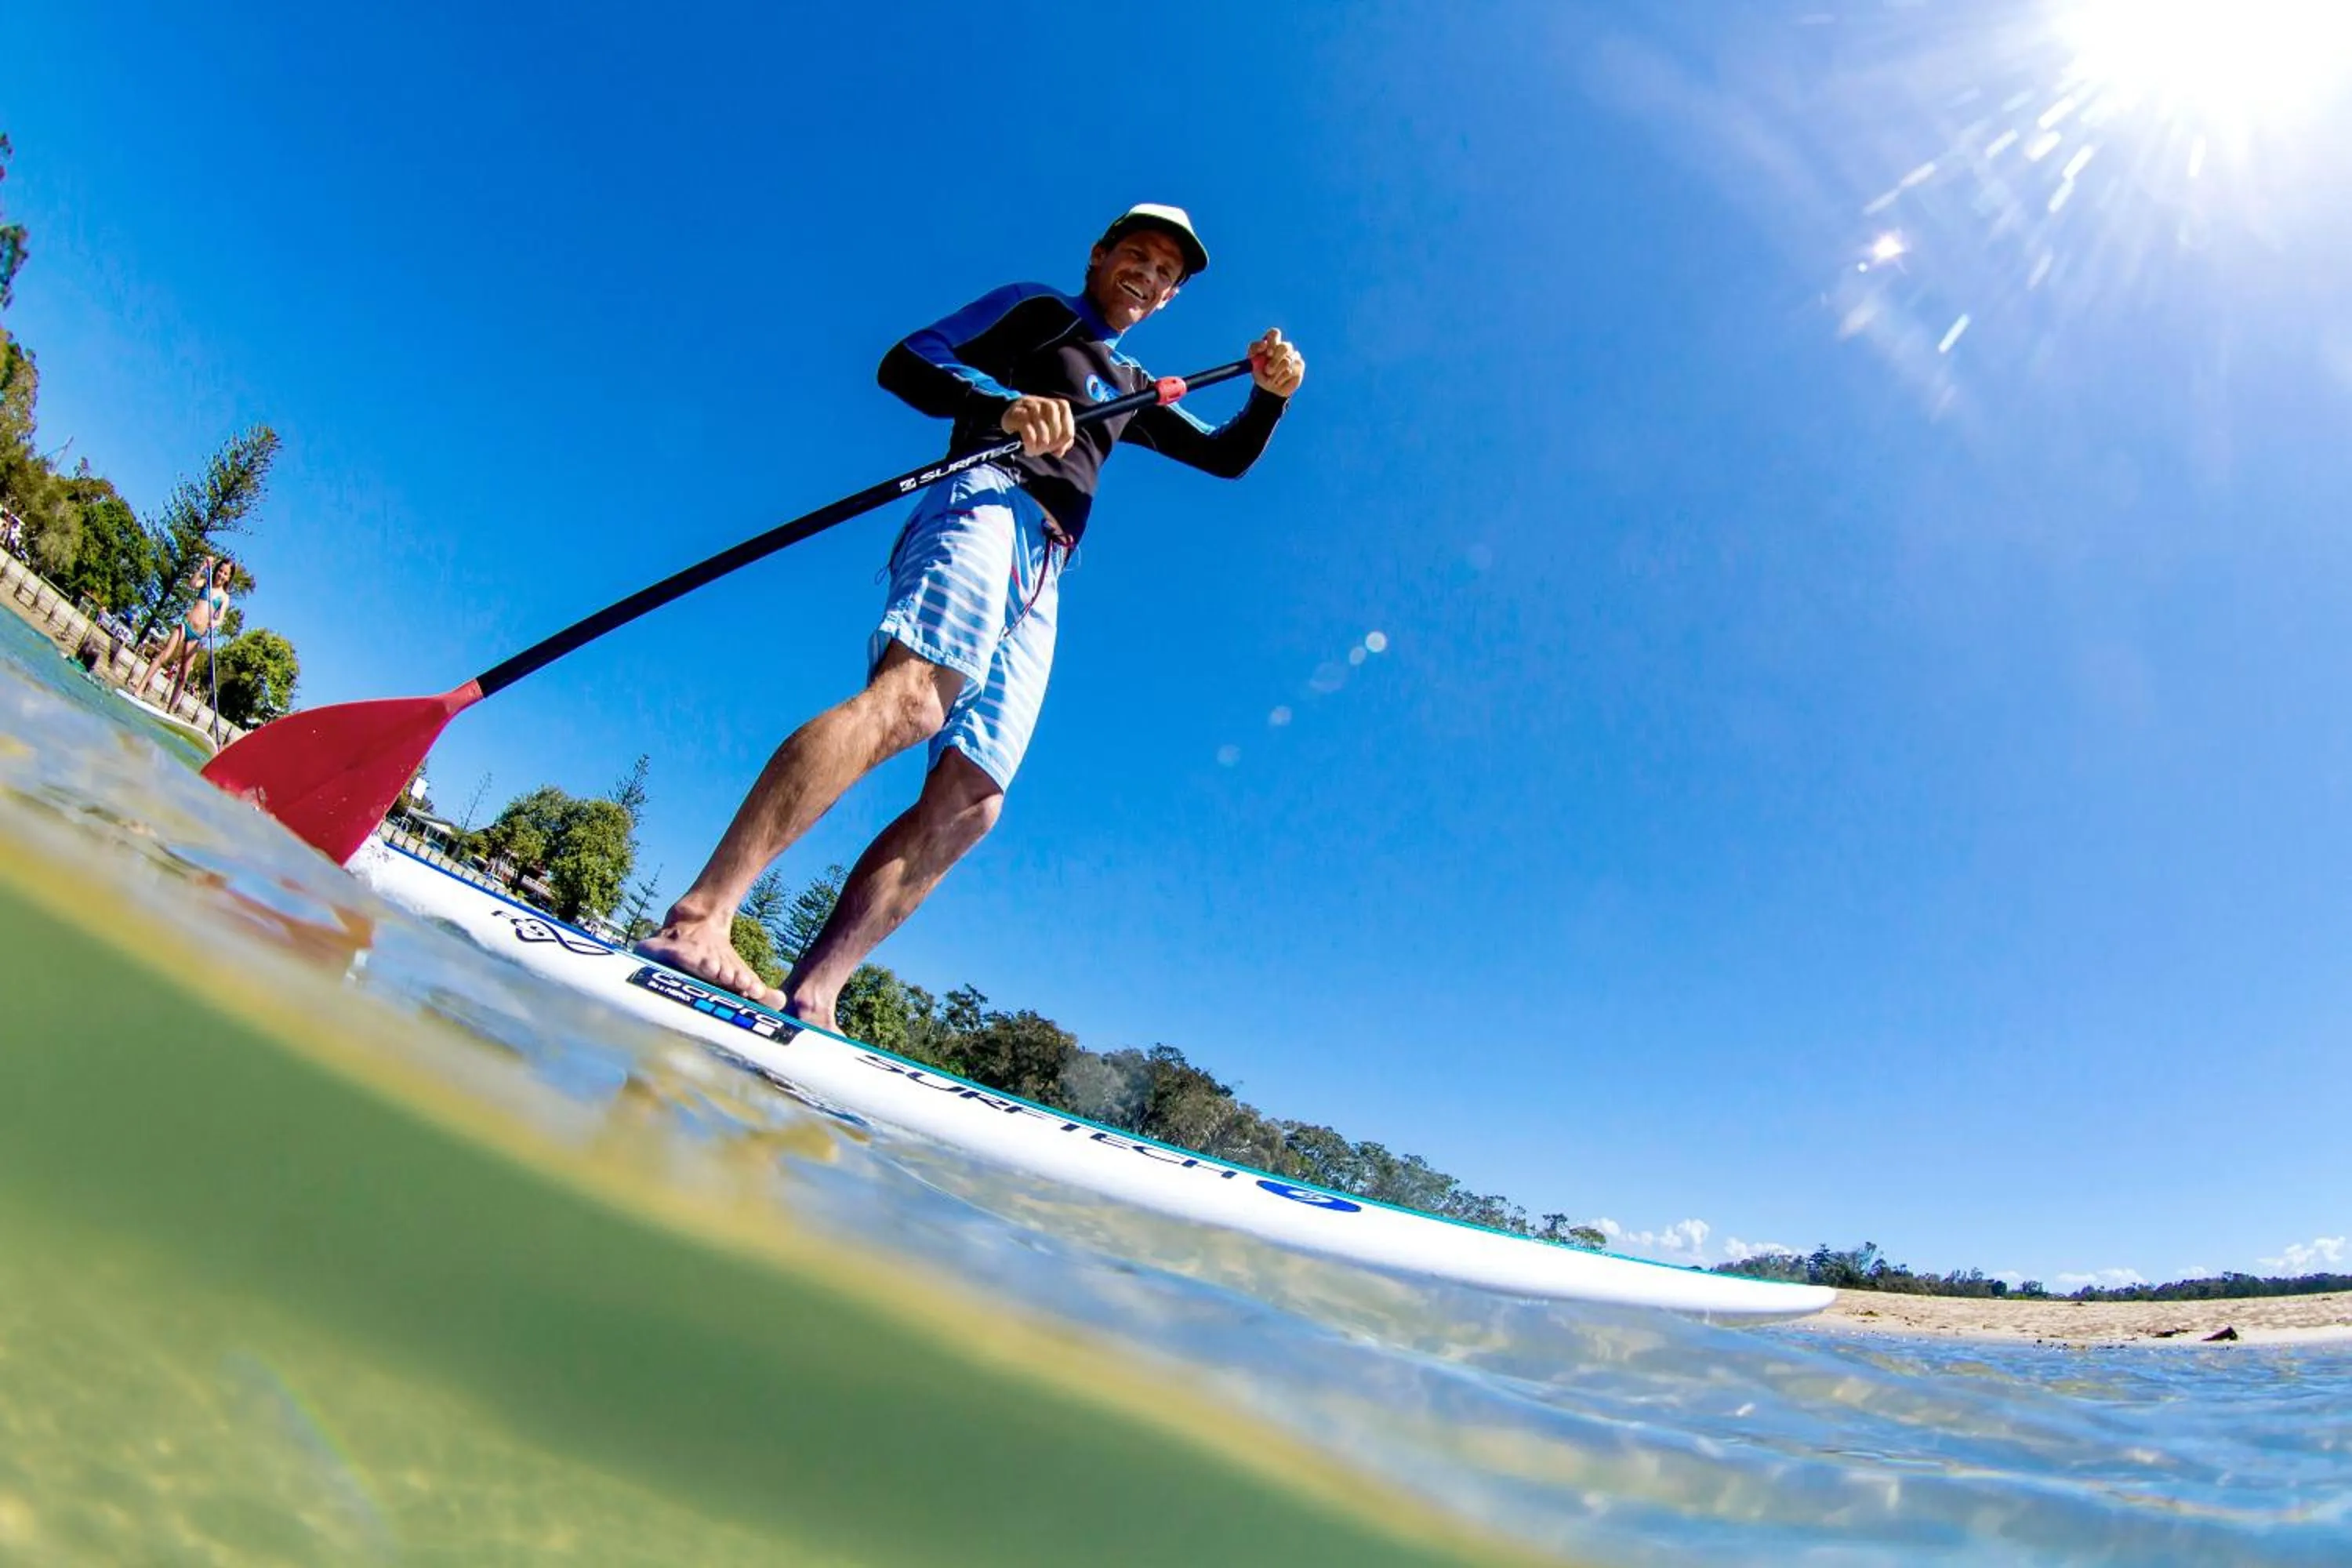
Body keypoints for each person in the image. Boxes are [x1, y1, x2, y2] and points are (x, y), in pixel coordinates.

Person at [638, 204, 1306, 1028]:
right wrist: (1004, 405)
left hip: (1050, 569)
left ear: (1171, 298)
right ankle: (704, 916)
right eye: (1137, 253)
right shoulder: (1037, 309)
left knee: (975, 799)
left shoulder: (1134, 388)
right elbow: (907, 360)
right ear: (1099, 254)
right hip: (988, 499)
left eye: (1167, 272)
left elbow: (1223, 453)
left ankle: (814, 993)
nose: (1150, 275)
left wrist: (1270, 399)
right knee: (914, 699)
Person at [144, 555, 231, 710]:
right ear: (216, 570)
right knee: (165, 655)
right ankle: (140, 687)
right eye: (220, 571)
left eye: (225, 573)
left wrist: (215, 623)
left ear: (229, 577)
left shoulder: (224, 597)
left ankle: (170, 710)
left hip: (197, 636)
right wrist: (202, 568)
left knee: (183, 676)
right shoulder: (206, 583)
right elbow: (192, 584)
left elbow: (220, 619)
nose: (221, 575)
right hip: (186, 625)